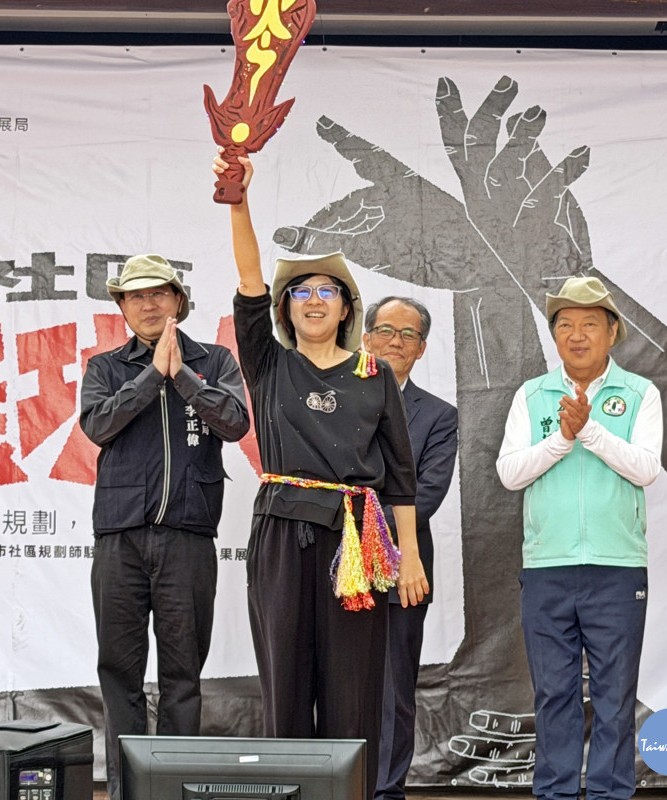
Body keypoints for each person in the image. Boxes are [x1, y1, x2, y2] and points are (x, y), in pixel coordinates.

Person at [215, 151, 429, 800]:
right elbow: (249, 277)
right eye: (301, 292)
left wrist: (409, 557)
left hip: (356, 543)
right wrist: (239, 203)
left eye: (326, 291)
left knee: (353, 693)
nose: (313, 300)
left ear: (345, 308)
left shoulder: (375, 376)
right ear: (286, 309)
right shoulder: (269, 364)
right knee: (286, 686)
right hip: (282, 535)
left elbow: (400, 477)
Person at [80, 253, 250, 800]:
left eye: (158, 293)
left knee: (182, 674)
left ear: (178, 300)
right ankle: (128, 792)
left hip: (187, 537)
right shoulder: (106, 367)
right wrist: (153, 374)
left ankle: (174, 789)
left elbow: (236, 422)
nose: (148, 304)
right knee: (119, 672)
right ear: (122, 307)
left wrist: (183, 377)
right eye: (135, 296)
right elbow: (97, 425)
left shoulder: (214, 360)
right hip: (120, 538)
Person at [495, 276, 663, 800]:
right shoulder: (532, 395)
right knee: (554, 693)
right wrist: (562, 438)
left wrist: (588, 430)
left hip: (617, 568)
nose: (576, 334)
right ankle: (556, 793)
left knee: (615, 695)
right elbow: (509, 473)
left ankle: (611, 793)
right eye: (565, 324)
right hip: (547, 567)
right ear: (555, 336)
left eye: (590, 323)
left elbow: (646, 468)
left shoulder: (639, 393)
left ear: (613, 333)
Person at [361, 297, 458, 800]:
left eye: (408, 334)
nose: (395, 341)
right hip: (330, 563)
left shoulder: (439, 416)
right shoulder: (333, 399)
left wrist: (358, 521)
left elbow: (426, 496)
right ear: (365, 338)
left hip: (404, 565)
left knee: (393, 688)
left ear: (421, 349)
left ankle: (385, 791)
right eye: (385, 330)